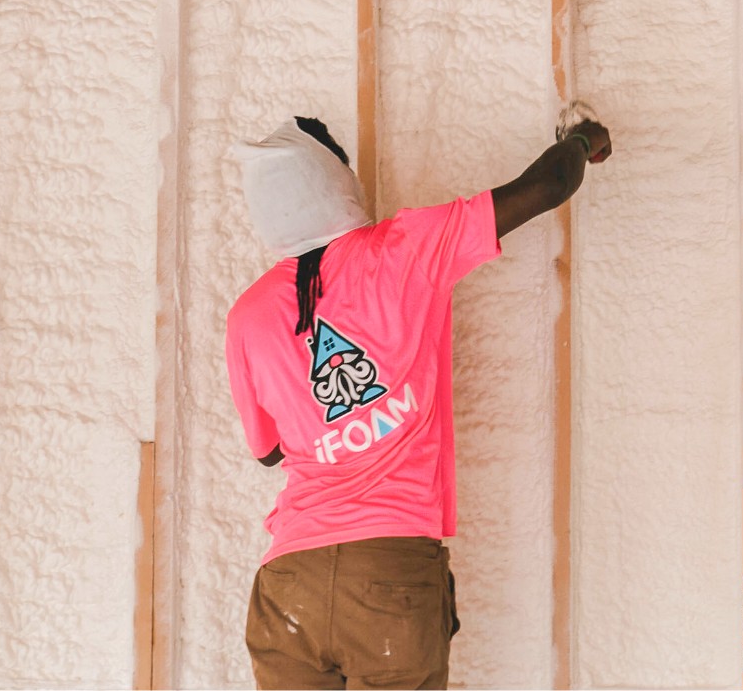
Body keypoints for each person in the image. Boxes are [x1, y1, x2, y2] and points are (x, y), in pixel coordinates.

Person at [226, 114, 611, 690]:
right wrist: (583, 139)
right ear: (337, 180)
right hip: (390, 573)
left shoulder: (248, 315)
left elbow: (269, 452)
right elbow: (548, 186)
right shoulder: (405, 249)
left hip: (289, 586)